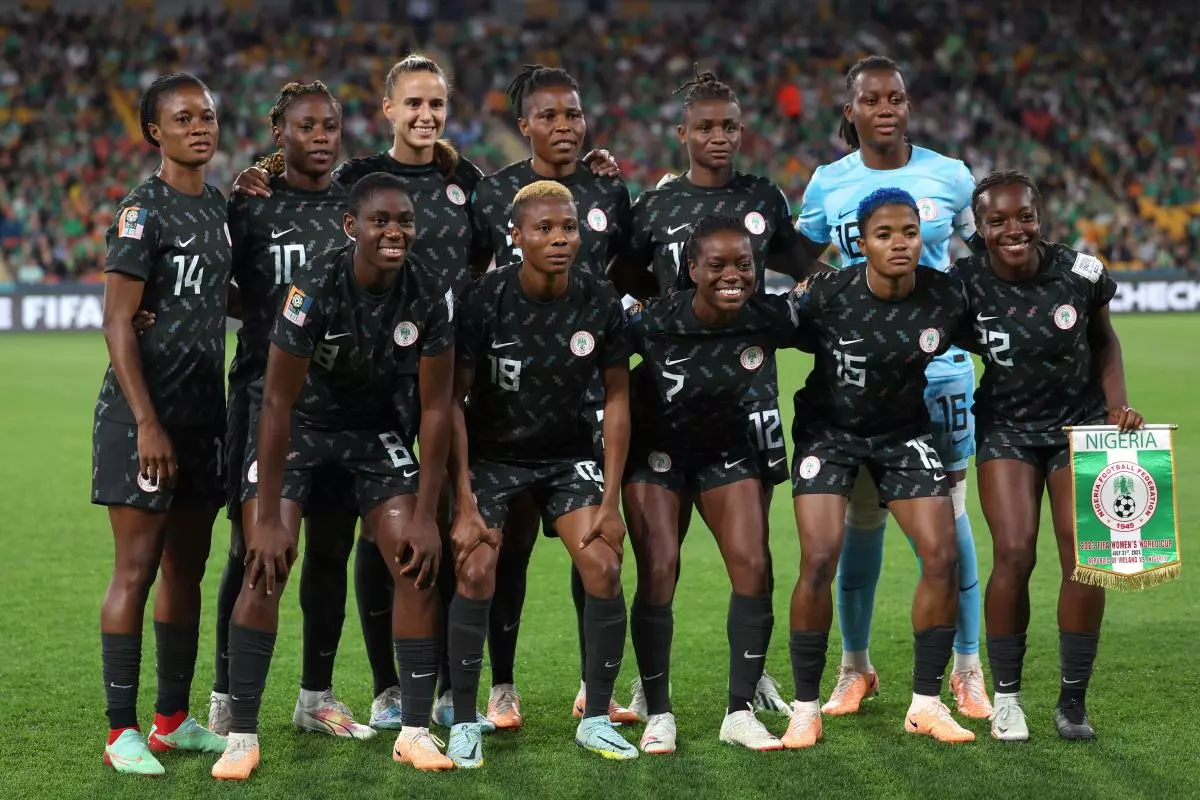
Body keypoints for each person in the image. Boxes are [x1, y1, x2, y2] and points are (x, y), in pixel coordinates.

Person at [233, 55, 617, 731]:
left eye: (435, 104)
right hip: (363, 382)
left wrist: (596, 173)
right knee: (365, 537)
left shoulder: (465, 184)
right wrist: (260, 171)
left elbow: (496, 246)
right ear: (389, 110)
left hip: (445, 370)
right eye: (413, 103)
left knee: (439, 528)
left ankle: (443, 684)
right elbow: (307, 182)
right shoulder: (357, 181)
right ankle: (385, 688)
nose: (425, 115)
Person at [210, 173, 456, 780]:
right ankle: (241, 736)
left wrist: (425, 516)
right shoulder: (316, 282)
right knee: (267, 562)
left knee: (414, 560)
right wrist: (265, 516)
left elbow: (435, 408)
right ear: (353, 227)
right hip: (299, 427)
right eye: (381, 221)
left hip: (373, 434)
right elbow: (275, 403)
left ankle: (416, 732)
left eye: (404, 221)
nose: (395, 232)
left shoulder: (430, 291)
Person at [794, 54, 990, 719]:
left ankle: (968, 667)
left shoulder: (952, 176)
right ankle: (855, 668)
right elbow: (797, 263)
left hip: (940, 375)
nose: (886, 109)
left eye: (897, 98)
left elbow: (985, 262)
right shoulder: (828, 183)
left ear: (908, 105)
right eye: (872, 100)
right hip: (857, 384)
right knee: (861, 523)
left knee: (952, 518)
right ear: (850, 110)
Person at [608, 68, 799, 719]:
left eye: (730, 126)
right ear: (683, 133)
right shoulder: (654, 206)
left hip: (750, 399)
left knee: (756, 551)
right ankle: (646, 682)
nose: (720, 137)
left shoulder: (764, 197)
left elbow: (803, 266)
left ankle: (757, 672)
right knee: (659, 556)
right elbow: (629, 279)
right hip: (668, 398)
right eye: (707, 127)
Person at [443, 180, 635, 766]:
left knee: (602, 564)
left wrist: (610, 500)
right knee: (477, 569)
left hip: (566, 455)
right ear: (517, 236)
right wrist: (465, 502)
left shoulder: (598, 299)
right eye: (544, 229)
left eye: (568, 227)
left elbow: (619, 399)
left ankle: (596, 718)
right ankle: (466, 720)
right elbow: (453, 401)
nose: (559, 239)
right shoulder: (483, 298)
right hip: (494, 457)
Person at [205, 81, 374, 740]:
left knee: (332, 547)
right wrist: (278, 324)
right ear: (280, 133)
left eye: (330, 125)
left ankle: (315, 695)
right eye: (307, 126)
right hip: (261, 396)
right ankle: (224, 696)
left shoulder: (354, 208)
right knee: (253, 547)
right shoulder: (250, 207)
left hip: (339, 404)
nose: (323, 136)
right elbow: (221, 286)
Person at [470, 63, 635, 729]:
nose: (563, 126)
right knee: (505, 550)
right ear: (525, 125)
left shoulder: (608, 188)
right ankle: (501, 687)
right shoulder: (493, 195)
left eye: (572, 113)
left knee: (590, 540)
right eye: (549, 115)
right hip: (509, 400)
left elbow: (628, 274)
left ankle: (589, 689)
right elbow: (473, 285)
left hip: (586, 391)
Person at [951, 170, 1143, 742]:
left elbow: (1104, 340)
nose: (1014, 229)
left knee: (1087, 556)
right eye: (997, 220)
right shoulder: (964, 283)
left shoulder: (1081, 273)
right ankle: (1007, 698)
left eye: (1024, 216)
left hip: (1079, 427)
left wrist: (1118, 405)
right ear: (978, 228)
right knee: (1013, 553)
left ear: (1041, 217)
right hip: (1006, 428)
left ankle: (1072, 701)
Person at [783, 188, 974, 748]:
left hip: (903, 435)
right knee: (819, 557)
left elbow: (1007, 336)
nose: (899, 244)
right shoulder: (829, 294)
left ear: (923, 237)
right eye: (885, 234)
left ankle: (925, 703)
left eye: (909, 233)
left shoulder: (944, 297)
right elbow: (761, 331)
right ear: (860, 243)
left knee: (942, 553)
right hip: (829, 435)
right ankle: (804, 707)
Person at [622, 214, 810, 754]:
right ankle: (658, 710)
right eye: (718, 265)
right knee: (658, 570)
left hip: (728, 454)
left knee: (754, 565)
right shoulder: (653, 320)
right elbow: (600, 363)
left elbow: (835, 314)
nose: (734, 275)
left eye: (745, 264)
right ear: (691, 268)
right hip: (656, 456)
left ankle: (739, 710)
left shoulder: (771, 317)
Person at [92, 72, 230, 775]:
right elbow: (117, 320)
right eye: (184, 117)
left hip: (204, 417)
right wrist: (147, 423)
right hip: (142, 417)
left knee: (187, 569)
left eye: (206, 115)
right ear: (156, 131)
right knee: (137, 568)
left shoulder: (220, 208)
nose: (200, 126)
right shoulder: (142, 211)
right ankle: (122, 733)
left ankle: (172, 721)